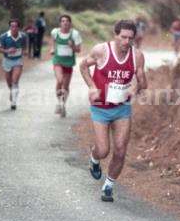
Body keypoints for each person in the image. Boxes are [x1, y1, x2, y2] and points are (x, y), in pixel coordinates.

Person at [79, 20, 147, 202]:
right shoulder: (101, 51)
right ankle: (94, 158)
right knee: (103, 150)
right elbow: (83, 66)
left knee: (120, 150)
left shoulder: (137, 56)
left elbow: (143, 82)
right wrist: (92, 87)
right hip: (100, 108)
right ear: (115, 35)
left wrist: (136, 87)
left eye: (130, 38)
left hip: (122, 108)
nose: (126, 41)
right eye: (123, 37)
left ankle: (108, 185)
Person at [50, 14, 82, 117]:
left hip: (69, 62)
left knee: (66, 86)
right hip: (58, 61)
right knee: (60, 81)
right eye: (63, 21)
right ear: (60, 23)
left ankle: (62, 104)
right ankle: (59, 102)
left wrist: (72, 46)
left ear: (70, 23)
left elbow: (78, 50)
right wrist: (52, 49)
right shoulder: (55, 32)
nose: (65, 23)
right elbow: (53, 42)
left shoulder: (74, 34)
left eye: (67, 21)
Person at [0, 19, 27, 110]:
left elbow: (24, 47)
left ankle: (14, 102)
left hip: (18, 60)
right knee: (9, 83)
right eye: (12, 26)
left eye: (15, 26)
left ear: (18, 27)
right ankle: (12, 91)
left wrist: (24, 52)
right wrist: (7, 50)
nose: (13, 28)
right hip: (7, 61)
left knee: (15, 81)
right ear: (10, 27)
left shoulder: (23, 36)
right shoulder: (4, 36)